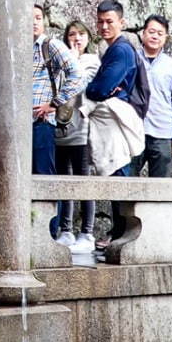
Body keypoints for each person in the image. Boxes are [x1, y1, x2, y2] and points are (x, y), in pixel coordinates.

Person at [86, 0, 142, 244]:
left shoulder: (121, 50)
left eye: (109, 21)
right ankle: (120, 231)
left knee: (119, 174)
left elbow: (99, 90)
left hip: (115, 117)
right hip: (111, 117)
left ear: (122, 22)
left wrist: (96, 88)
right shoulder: (115, 49)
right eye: (100, 22)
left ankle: (123, 233)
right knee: (115, 174)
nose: (104, 26)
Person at [32, 4, 80, 239]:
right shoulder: (19, 47)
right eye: (29, 18)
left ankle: (50, 231)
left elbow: (77, 75)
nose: (33, 22)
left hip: (42, 122)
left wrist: (54, 103)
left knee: (44, 175)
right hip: (18, 125)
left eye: (38, 18)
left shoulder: (51, 46)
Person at [54, 21, 99, 251]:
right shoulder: (60, 62)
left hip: (83, 126)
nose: (77, 38)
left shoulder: (91, 61)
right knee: (64, 179)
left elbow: (81, 82)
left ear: (88, 38)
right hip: (61, 126)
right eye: (72, 34)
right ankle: (66, 229)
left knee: (84, 179)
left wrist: (71, 60)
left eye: (81, 34)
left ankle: (88, 233)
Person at [135, 14, 172, 177]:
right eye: (151, 31)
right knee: (125, 182)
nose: (155, 36)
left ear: (165, 38)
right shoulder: (131, 59)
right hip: (134, 130)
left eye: (160, 33)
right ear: (143, 33)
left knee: (161, 189)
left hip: (163, 133)